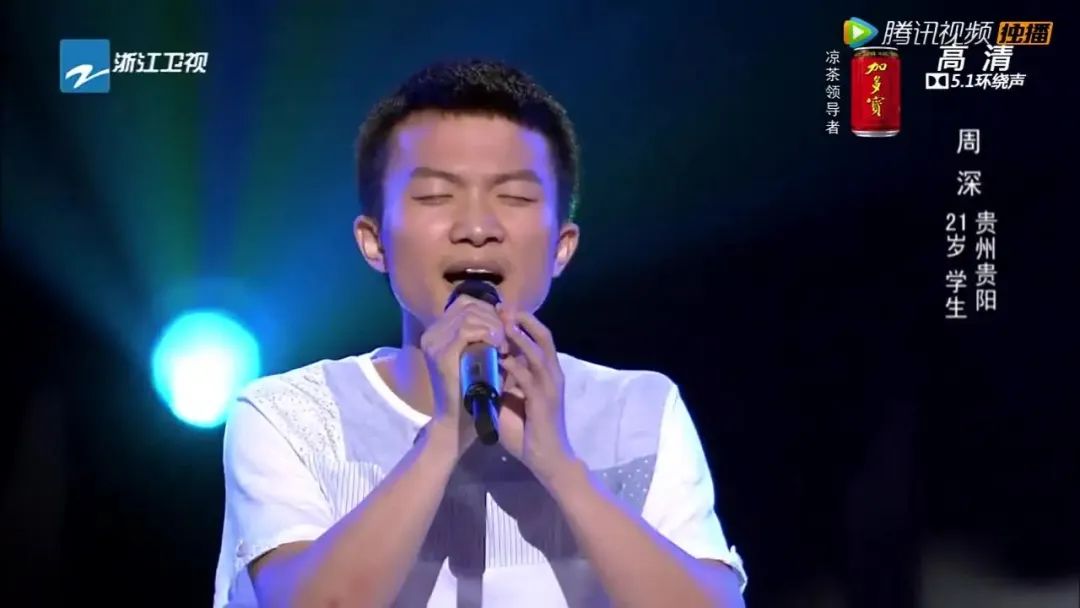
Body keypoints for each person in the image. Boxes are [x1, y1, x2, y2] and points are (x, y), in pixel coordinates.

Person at [212, 58, 747, 607]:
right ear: (374, 241)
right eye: (434, 196)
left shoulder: (637, 413)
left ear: (562, 247)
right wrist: (446, 434)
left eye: (514, 198)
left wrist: (562, 469)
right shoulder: (291, 417)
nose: (476, 229)